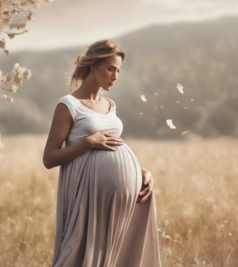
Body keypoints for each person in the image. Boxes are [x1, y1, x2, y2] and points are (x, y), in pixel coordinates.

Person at [43, 39, 162, 267]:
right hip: (89, 196)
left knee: (121, 255)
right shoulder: (68, 105)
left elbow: (114, 145)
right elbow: (49, 158)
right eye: (110, 69)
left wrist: (141, 172)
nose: (115, 77)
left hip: (128, 196)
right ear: (93, 66)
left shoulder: (110, 105)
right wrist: (87, 143)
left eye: (118, 71)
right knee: (79, 254)